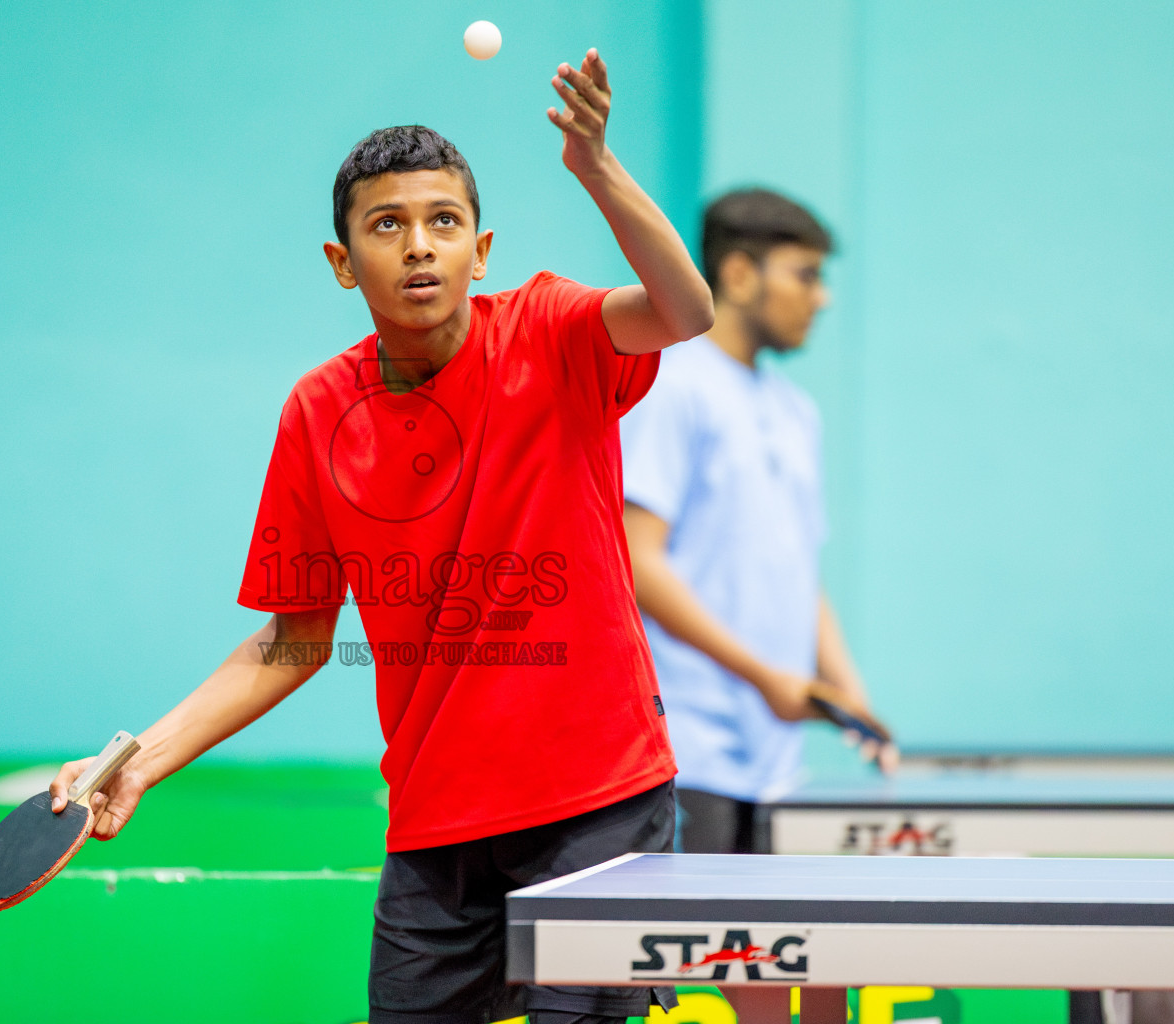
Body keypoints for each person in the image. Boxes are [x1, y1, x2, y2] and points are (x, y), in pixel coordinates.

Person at [49, 50, 714, 1024]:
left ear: (479, 249)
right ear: (341, 261)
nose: (418, 247)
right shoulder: (319, 410)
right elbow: (295, 636)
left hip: (598, 802)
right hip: (438, 826)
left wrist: (596, 167)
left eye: (443, 222)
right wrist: (138, 758)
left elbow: (685, 311)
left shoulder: (551, 331)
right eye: (387, 225)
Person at [620, 188, 896, 862]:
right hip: (687, 752)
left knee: (765, 965)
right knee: (691, 960)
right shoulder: (673, 385)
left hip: (775, 763)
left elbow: (801, 571)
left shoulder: (796, 410)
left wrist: (847, 690)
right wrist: (764, 676)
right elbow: (637, 559)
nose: (822, 298)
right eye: (806, 274)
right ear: (739, 274)